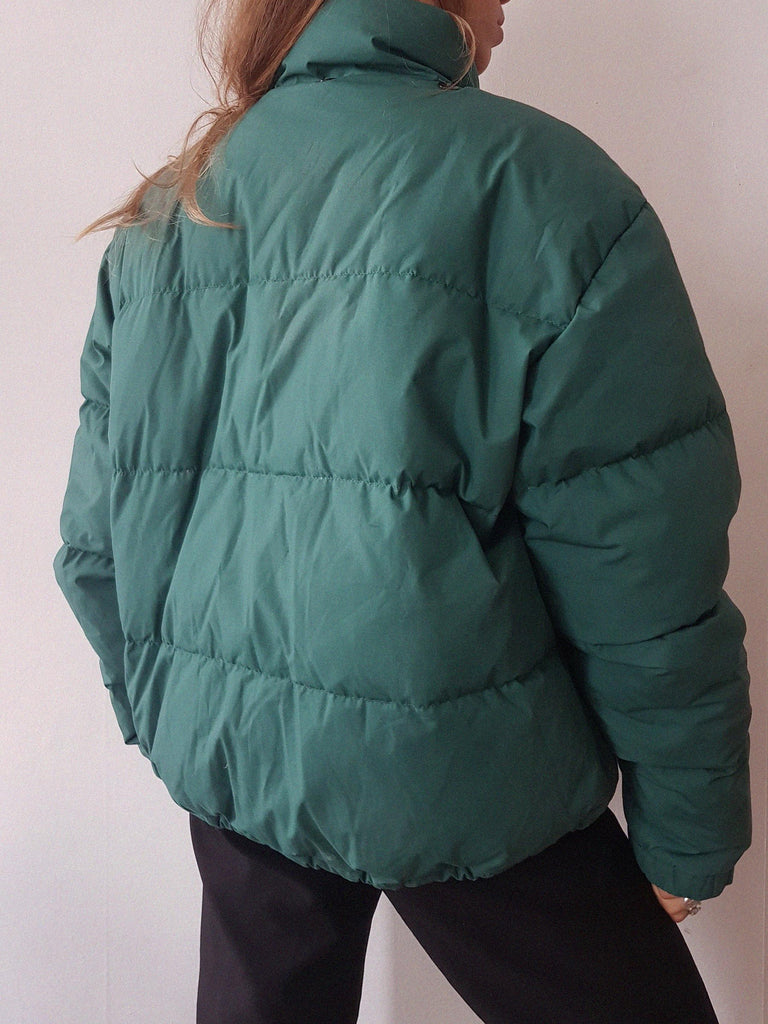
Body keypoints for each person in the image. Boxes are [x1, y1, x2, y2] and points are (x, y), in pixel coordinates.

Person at [53, 0, 752, 1020]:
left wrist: (172, 716)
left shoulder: (177, 201)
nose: (509, 6)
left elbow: (95, 542)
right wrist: (687, 829)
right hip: (459, 770)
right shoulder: (548, 189)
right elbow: (642, 570)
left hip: (238, 764)